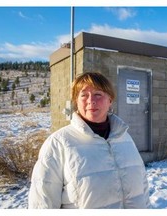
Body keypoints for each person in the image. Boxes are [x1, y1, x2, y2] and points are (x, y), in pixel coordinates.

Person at [28, 72, 150, 209]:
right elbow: (42, 202)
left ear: (110, 100)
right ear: (76, 101)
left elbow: (143, 188)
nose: (91, 100)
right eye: (84, 95)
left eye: (98, 94)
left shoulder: (125, 137)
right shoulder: (58, 143)